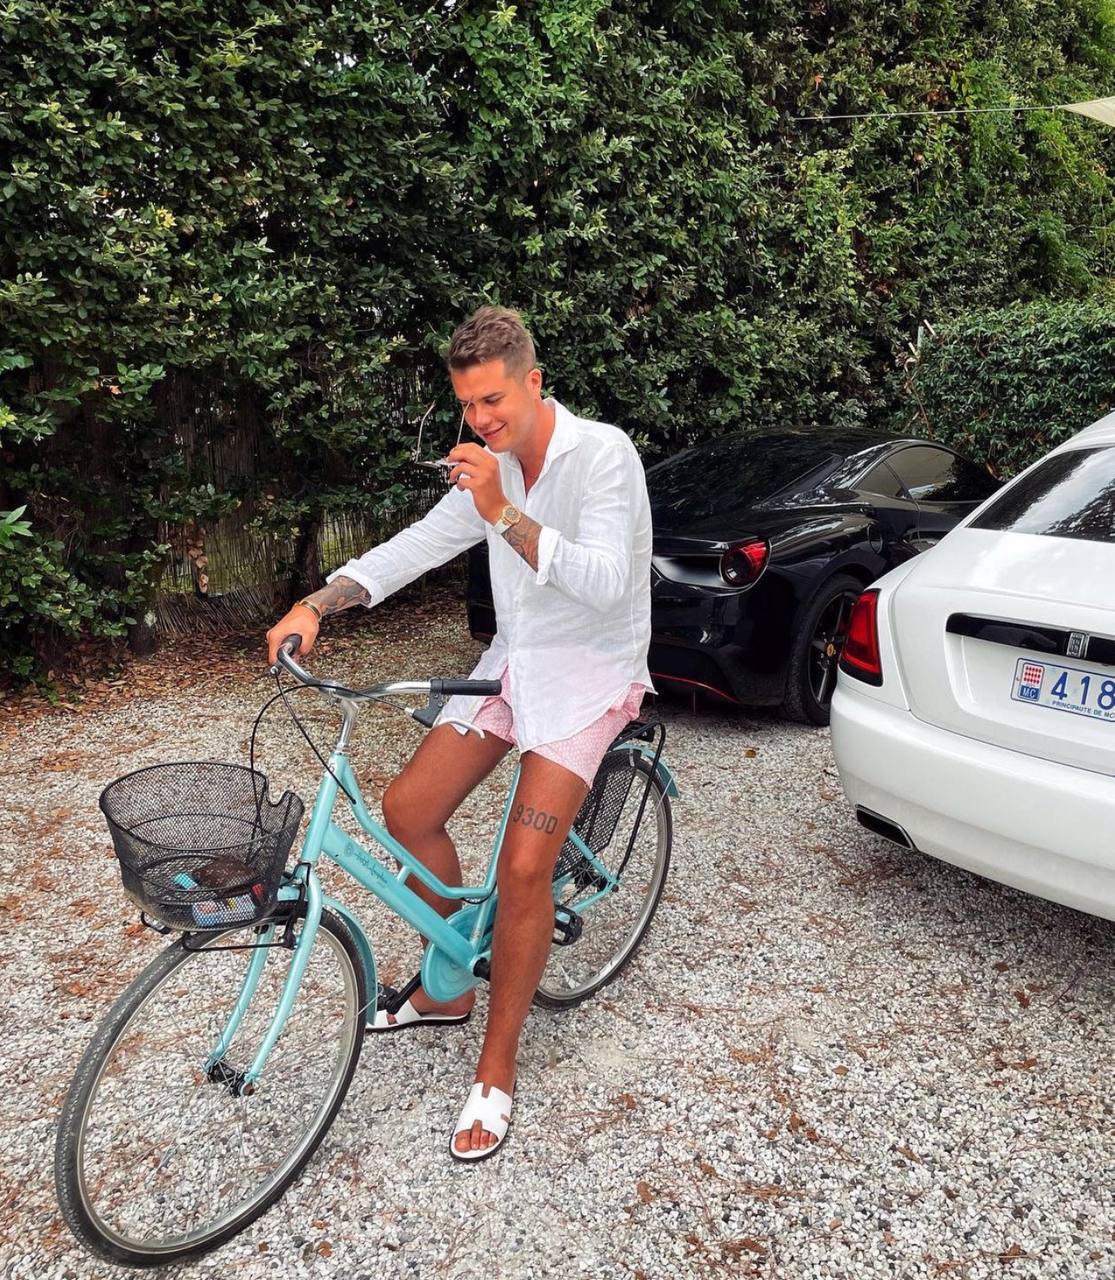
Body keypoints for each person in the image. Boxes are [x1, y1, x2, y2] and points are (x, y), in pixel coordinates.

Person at [266, 306, 652, 1162]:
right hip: (515, 662)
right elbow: (417, 545)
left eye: (492, 400)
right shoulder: (488, 466)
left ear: (532, 382)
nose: (479, 420)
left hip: (592, 673)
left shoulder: (603, 455)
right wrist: (316, 604)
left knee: (523, 868)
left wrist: (500, 509)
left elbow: (605, 582)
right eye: (467, 405)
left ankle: (497, 1066)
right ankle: (448, 983)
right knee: (409, 809)